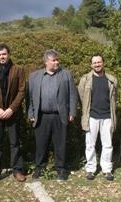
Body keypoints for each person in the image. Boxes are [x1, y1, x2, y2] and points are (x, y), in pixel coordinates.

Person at [28, 49, 78, 181]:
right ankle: (40, 168)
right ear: (46, 62)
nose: (57, 62)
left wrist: (72, 112)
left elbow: (73, 95)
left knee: (60, 144)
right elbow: (30, 98)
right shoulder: (34, 76)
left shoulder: (66, 75)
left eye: (57, 59)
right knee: (41, 144)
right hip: (41, 116)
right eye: (54, 60)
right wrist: (31, 113)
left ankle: (61, 169)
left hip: (60, 115)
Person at [0, 44, 26, 183]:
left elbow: (21, 91)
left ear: (9, 54)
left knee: (15, 143)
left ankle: (17, 170)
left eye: (4, 54)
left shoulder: (18, 70)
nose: (2, 57)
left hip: (12, 113)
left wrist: (11, 109)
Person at [78, 54, 118, 181]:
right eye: (94, 63)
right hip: (92, 116)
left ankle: (107, 169)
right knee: (90, 144)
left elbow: (114, 98)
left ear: (103, 63)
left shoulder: (111, 79)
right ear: (91, 65)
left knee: (108, 144)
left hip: (107, 116)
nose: (97, 64)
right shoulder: (85, 79)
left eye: (99, 62)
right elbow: (81, 95)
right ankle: (90, 169)